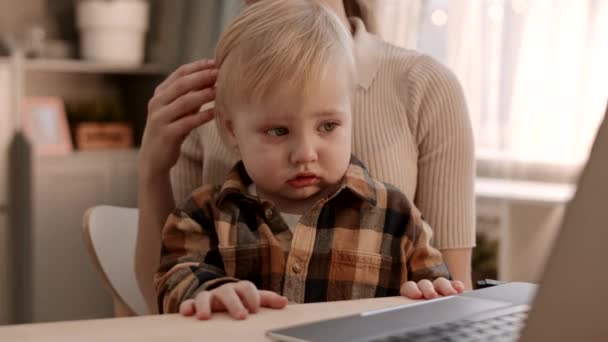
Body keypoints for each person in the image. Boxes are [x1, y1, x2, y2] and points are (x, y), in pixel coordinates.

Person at [137, 0, 475, 313]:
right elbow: (168, 282)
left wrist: (433, 292)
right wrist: (205, 294)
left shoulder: (397, 214)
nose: (304, 154)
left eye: (328, 125)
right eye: (279, 131)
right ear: (230, 130)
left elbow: (447, 298)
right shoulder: (204, 208)